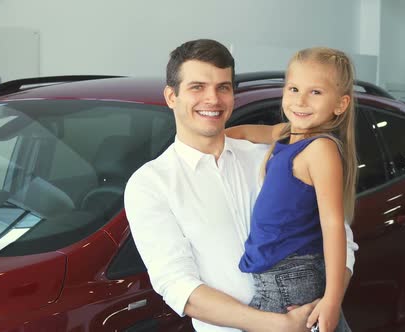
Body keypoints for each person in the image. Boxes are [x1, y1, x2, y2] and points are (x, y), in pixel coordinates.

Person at [124, 39, 358, 332]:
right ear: (172, 96)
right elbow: (177, 286)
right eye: (197, 87)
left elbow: (339, 236)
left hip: (307, 316)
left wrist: (324, 302)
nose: (213, 99)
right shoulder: (150, 184)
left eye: (223, 87)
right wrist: (279, 325)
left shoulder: (269, 154)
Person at [226, 47, 357, 332]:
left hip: (292, 282)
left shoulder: (320, 149)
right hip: (275, 279)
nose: (300, 100)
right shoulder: (286, 134)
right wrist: (205, 139)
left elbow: (333, 226)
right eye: (294, 88)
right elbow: (245, 132)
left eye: (316, 92)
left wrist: (332, 301)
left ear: (340, 104)